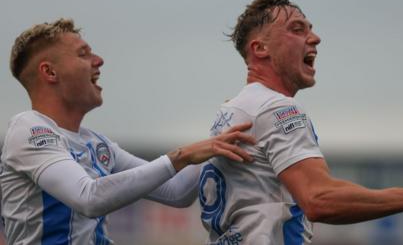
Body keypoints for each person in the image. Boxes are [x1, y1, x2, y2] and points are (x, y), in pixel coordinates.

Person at [198, 0, 403, 245]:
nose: (315, 38)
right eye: (297, 29)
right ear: (260, 48)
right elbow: (318, 199)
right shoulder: (276, 108)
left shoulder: (231, 112)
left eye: (309, 29)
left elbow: (174, 192)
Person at [0, 18, 256, 245]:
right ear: (50, 72)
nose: (99, 61)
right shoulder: (28, 128)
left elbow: (176, 191)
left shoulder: (97, 143)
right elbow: (88, 198)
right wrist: (183, 155)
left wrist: (221, 137)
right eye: (83, 54)